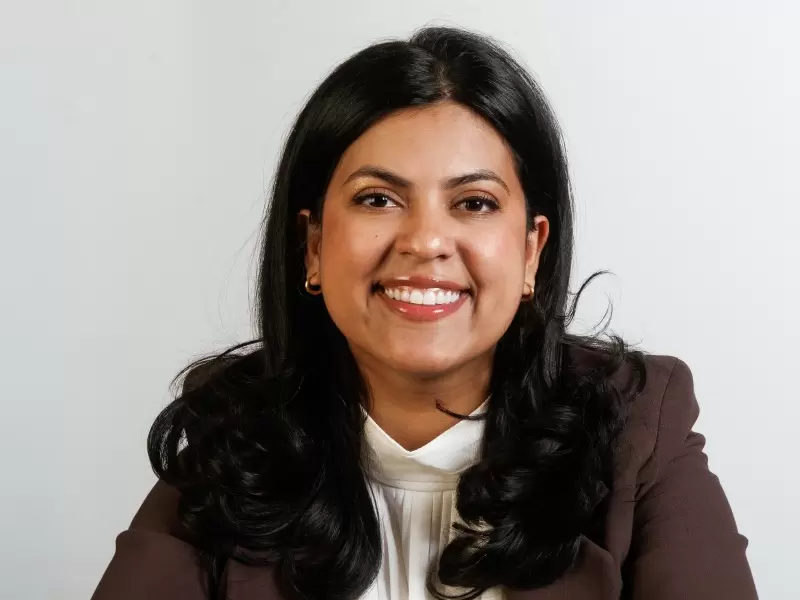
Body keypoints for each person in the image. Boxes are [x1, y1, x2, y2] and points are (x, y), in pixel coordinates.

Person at [91, 26, 757, 600]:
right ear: (313, 247)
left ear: (531, 252)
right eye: (378, 199)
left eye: (474, 203)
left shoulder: (637, 429)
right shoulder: (234, 438)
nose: (425, 241)